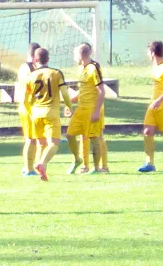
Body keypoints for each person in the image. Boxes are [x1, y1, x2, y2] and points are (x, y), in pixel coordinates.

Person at [26, 48, 72, 181]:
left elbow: (27, 99)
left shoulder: (31, 76)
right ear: (48, 59)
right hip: (51, 113)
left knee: (41, 144)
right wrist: (69, 106)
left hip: (36, 113)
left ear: (35, 60)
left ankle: (42, 173)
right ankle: (42, 164)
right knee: (54, 143)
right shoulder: (56, 73)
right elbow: (64, 93)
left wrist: (31, 112)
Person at [138, 41, 163, 173]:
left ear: (152, 53)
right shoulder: (155, 67)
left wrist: (160, 99)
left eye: (148, 52)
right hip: (154, 105)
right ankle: (149, 163)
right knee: (147, 131)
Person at [66, 43, 105, 174]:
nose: (74, 57)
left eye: (75, 54)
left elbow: (101, 91)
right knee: (70, 134)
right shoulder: (80, 69)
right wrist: (70, 101)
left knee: (94, 137)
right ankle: (77, 159)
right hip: (81, 108)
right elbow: (83, 90)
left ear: (80, 55)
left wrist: (96, 111)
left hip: (91, 108)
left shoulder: (94, 68)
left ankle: (97, 168)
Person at [17, 42, 41, 176]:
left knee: (34, 138)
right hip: (29, 107)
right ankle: (28, 168)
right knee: (31, 139)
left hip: (26, 106)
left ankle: (29, 165)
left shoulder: (23, 67)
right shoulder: (30, 68)